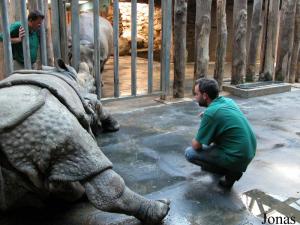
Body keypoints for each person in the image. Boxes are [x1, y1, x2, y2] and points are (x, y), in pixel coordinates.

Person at [185, 78, 256, 189]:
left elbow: (196, 145)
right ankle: (232, 169)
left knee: (190, 153)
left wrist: (205, 123)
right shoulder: (228, 101)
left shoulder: (211, 113)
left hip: (237, 155)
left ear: (205, 96)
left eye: (196, 94)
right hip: (249, 150)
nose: (195, 97)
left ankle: (229, 171)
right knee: (215, 139)